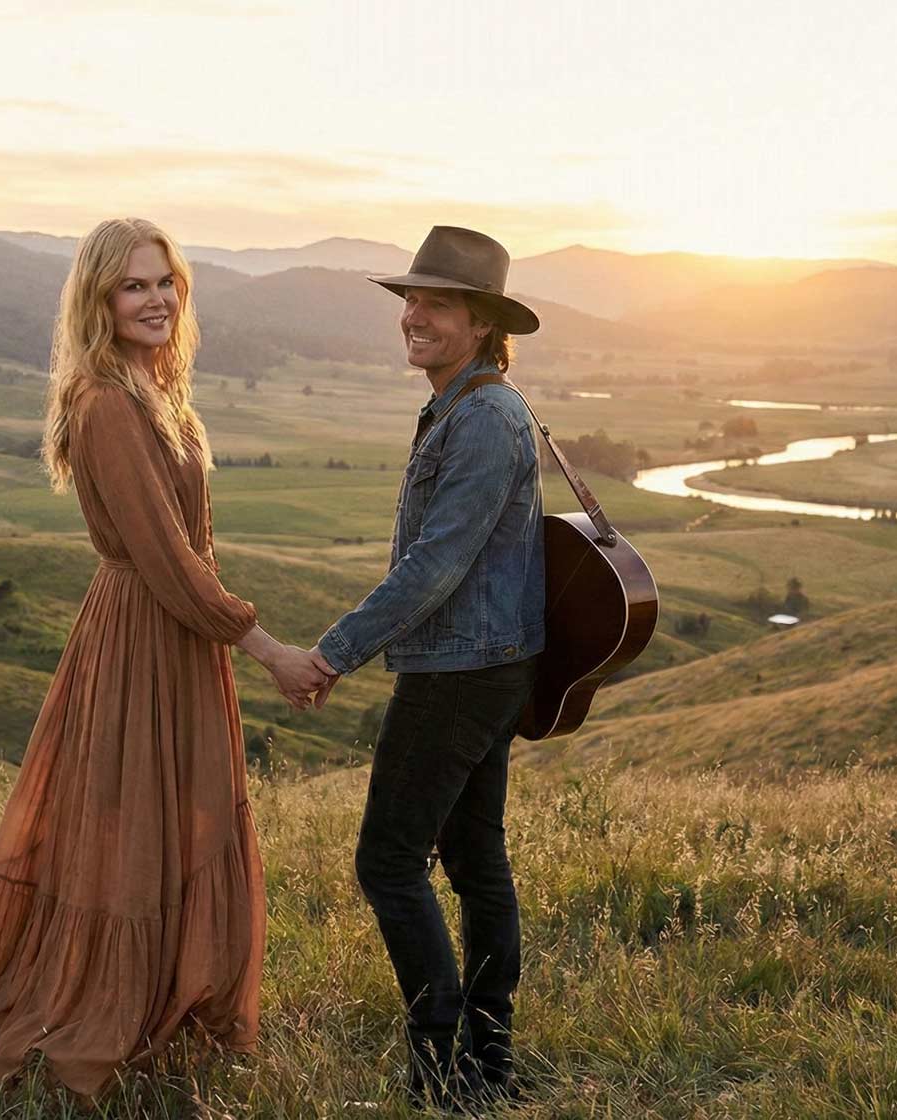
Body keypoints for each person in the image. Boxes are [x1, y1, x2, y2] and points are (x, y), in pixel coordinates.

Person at [0, 217, 329, 1099]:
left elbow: (190, 549)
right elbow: (168, 561)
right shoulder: (105, 405)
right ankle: (107, 1006)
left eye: (166, 282)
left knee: (179, 817)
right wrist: (270, 648)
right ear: (99, 298)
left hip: (177, 636)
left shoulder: (155, 390)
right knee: (131, 830)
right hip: (143, 636)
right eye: (134, 286)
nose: (158, 298)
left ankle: (171, 996)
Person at [302, 226, 547, 1109]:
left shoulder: (483, 419)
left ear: (482, 324)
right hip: (482, 663)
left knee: (388, 863)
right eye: (410, 299)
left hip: (459, 672)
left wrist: (331, 653)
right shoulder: (463, 401)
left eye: (438, 303)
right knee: (476, 858)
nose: (414, 315)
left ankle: (444, 1068)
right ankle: (487, 1065)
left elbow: (437, 565)